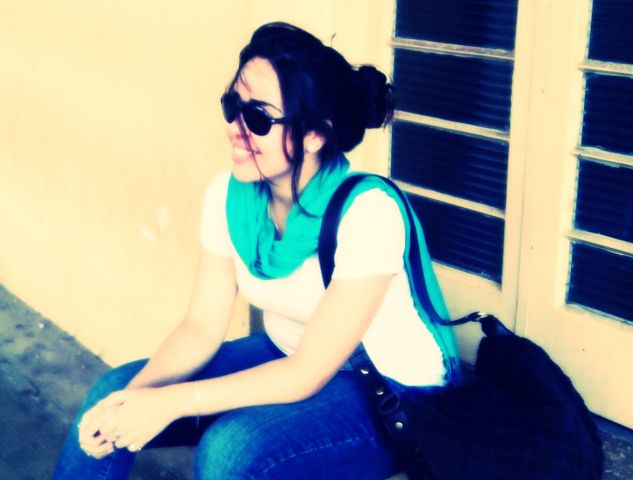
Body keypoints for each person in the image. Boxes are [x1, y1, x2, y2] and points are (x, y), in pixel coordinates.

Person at [52, 22, 458, 480]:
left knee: (231, 451)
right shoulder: (230, 196)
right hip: (289, 355)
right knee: (110, 394)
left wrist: (170, 403)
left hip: (392, 391)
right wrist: (132, 401)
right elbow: (201, 327)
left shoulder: (367, 212)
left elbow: (307, 372)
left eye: (259, 118)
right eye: (233, 107)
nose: (236, 129)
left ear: (314, 134)